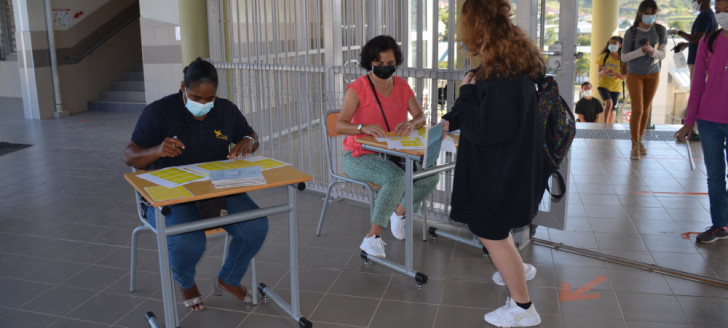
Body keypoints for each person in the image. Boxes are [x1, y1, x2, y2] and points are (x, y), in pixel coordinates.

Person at [123, 58, 268, 312]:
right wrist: (157, 150)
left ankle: (229, 278)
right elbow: (130, 156)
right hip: (168, 194)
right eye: (196, 98)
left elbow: (251, 136)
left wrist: (247, 140)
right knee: (190, 242)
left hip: (214, 190)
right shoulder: (159, 112)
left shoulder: (225, 110)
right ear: (183, 88)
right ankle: (186, 283)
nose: (203, 104)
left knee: (256, 225)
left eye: (209, 99)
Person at [440, 0, 544, 326]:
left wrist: (467, 97)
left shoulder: (501, 77)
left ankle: (523, 308)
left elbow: (486, 130)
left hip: (497, 170)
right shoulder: (508, 64)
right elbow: (478, 109)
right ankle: (515, 268)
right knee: (498, 229)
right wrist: (450, 118)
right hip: (509, 166)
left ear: (477, 26)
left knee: (490, 230)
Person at [337, 35, 440, 259]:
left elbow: (421, 116)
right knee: (395, 179)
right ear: (370, 62)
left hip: (394, 153)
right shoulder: (358, 88)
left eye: (390, 64)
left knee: (430, 175)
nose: (385, 68)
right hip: (359, 155)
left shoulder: (402, 86)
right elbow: (340, 124)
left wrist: (412, 123)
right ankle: (372, 238)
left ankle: (399, 211)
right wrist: (363, 127)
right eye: (380, 64)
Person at [675, 0, 728, 244]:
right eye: (719, 7)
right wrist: (689, 121)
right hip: (709, 121)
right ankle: (720, 224)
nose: (720, 9)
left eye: (724, 6)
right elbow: (697, 84)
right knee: (715, 176)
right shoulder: (710, 41)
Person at [621, 0, 668, 160]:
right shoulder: (631, 32)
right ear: (640, 13)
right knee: (638, 108)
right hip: (634, 74)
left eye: (652, 13)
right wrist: (641, 51)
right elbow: (624, 56)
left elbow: (662, 54)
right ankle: (634, 144)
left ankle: (639, 140)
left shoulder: (661, 30)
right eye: (646, 13)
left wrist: (653, 52)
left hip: (653, 74)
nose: (650, 16)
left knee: (646, 108)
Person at [668, 0, 717, 79]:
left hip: (698, 62)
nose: (693, 2)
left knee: (697, 89)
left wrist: (678, 32)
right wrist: (688, 44)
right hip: (706, 61)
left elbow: (697, 39)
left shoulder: (704, 16)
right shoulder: (711, 15)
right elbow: (706, 40)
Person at [596, 36, 626, 123]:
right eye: (610, 43)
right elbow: (598, 74)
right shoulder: (604, 57)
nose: (612, 45)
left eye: (614, 43)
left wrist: (613, 72)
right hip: (603, 86)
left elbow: (623, 77)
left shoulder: (623, 60)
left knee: (612, 111)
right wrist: (603, 71)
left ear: (620, 45)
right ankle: (605, 124)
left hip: (615, 88)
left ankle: (610, 127)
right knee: (609, 103)